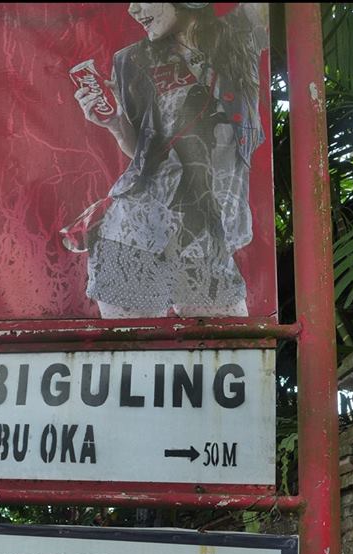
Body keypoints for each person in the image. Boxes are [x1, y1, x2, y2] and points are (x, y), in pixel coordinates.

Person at [63, 2, 268, 319]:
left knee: (226, 353)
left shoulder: (240, 33)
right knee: (134, 362)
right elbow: (147, 156)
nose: (133, 10)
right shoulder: (129, 60)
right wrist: (116, 124)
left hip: (204, 237)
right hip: (132, 235)